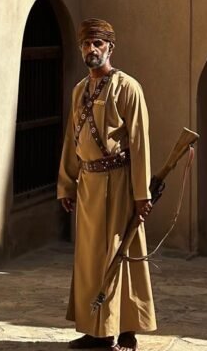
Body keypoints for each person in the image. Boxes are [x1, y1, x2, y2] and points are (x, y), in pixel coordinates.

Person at [57, 18, 156, 351]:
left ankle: (126, 329)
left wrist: (141, 194)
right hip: (88, 185)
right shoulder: (79, 90)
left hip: (119, 183)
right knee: (89, 260)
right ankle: (94, 329)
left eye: (98, 43)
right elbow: (73, 140)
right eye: (86, 44)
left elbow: (140, 143)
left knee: (119, 253)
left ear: (110, 47)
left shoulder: (128, 88)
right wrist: (67, 184)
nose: (91, 49)